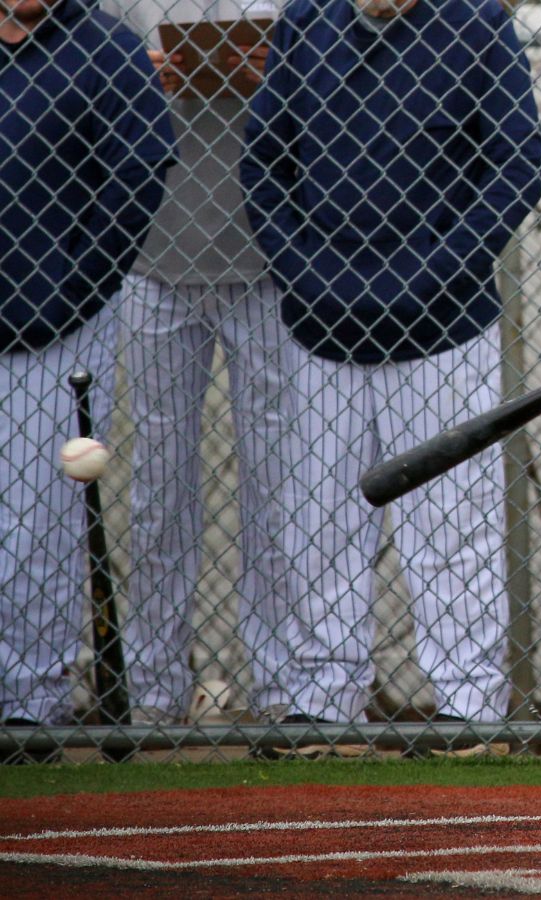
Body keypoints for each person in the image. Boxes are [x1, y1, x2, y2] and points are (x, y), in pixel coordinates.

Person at [241, 0, 541, 753]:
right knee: (317, 520)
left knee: (451, 518)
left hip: (441, 324)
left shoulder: (475, 23)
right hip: (322, 324)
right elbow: (264, 164)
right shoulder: (308, 21)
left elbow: (515, 163)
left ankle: (470, 705)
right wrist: (304, 272)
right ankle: (323, 700)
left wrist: (430, 274)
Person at [99, 0, 296, 726]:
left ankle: (284, 693)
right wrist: (130, 75)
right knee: (158, 482)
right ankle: (152, 693)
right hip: (152, 258)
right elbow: (70, 61)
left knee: (278, 482)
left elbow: (328, 87)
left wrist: (272, 74)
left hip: (266, 260)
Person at [0, 0, 174, 742]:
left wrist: (71, 288)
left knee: (36, 524)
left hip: (57, 327)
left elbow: (137, 175)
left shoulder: (105, 46)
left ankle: (28, 711)